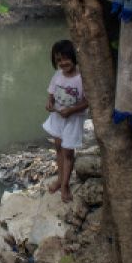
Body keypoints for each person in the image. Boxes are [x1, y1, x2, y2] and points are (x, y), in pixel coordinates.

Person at [42, 39, 87, 202]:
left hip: (73, 119)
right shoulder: (58, 75)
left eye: (66, 58)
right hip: (57, 117)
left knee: (68, 152)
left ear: (74, 57)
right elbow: (51, 93)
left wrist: (72, 110)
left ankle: (66, 185)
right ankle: (60, 179)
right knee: (59, 148)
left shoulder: (82, 78)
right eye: (59, 60)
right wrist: (50, 102)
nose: (63, 63)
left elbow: (88, 101)